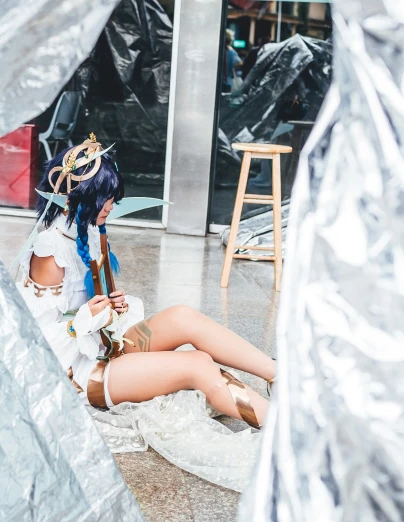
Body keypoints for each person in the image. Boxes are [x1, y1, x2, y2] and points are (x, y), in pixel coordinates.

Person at [17, 134, 275, 430]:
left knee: (182, 316)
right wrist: (82, 321)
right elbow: (34, 341)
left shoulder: (88, 231)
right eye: (106, 199)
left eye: (113, 199)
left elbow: (93, 307)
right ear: (81, 197)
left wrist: (111, 307)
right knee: (197, 364)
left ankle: (279, 376)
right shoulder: (50, 250)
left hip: (106, 344)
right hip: (78, 371)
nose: (111, 206)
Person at [221, 29, 242, 94]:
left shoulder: (219, 51)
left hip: (216, 82)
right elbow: (240, 63)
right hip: (227, 82)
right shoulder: (232, 52)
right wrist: (231, 66)